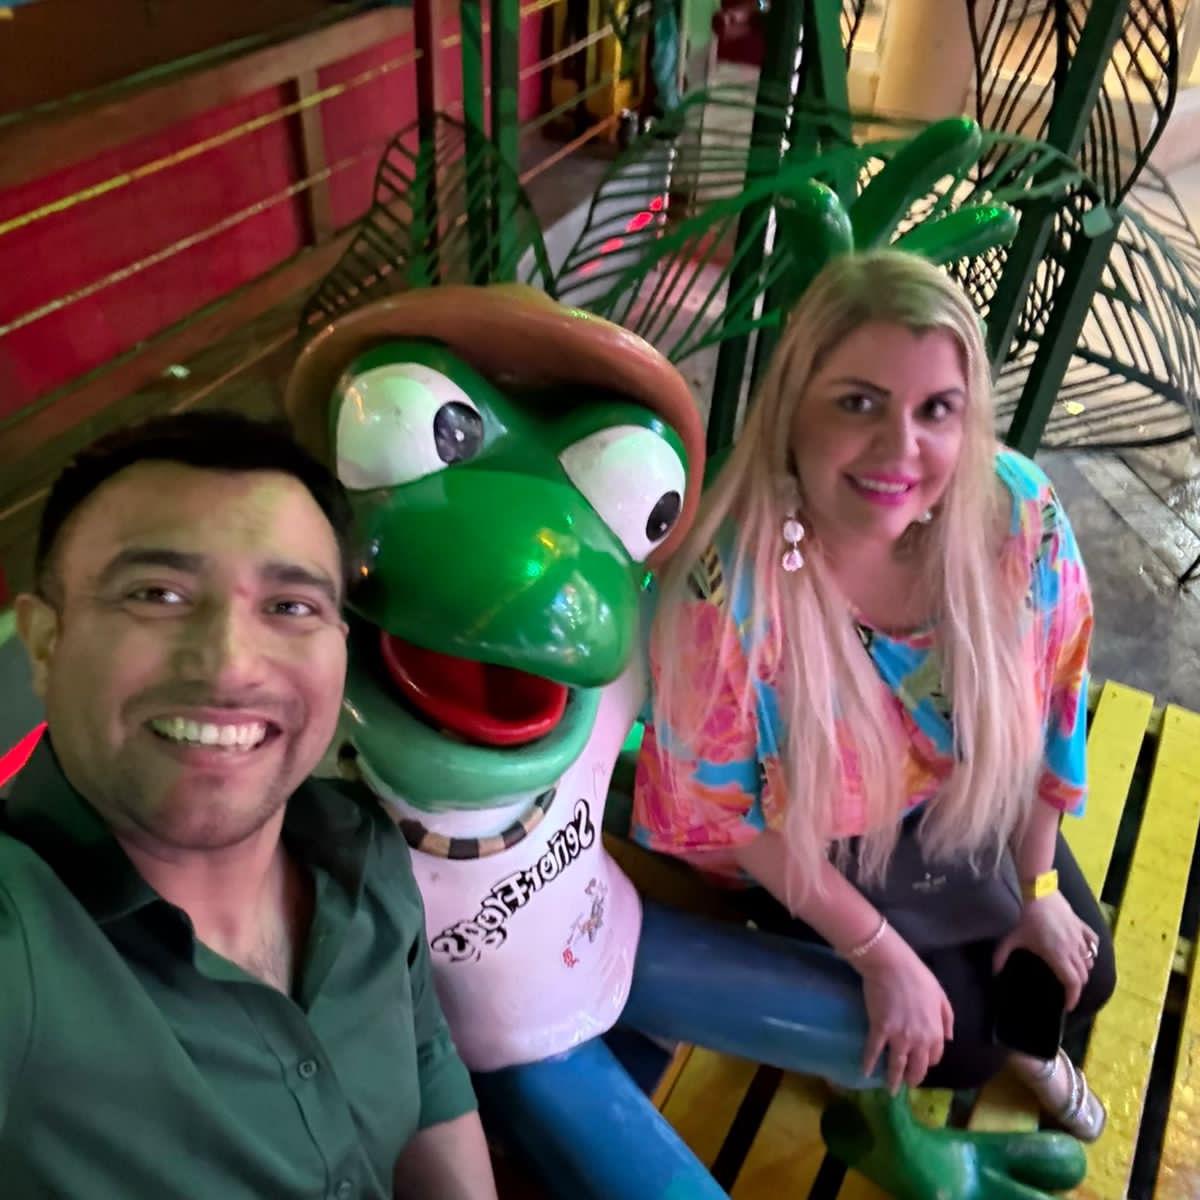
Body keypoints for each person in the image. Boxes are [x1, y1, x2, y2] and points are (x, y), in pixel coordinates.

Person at [633, 251, 1115, 1139]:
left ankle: (1033, 1046)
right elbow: (723, 817)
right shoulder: (727, 590)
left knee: (1083, 975)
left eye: (937, 410)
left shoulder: (1016, 514)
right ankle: (948, 1044)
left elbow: (1057, 697)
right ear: (794, 406)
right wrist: (877, 953)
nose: (901, 450)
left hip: (960, 792)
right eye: (859, 402)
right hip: (812, 831)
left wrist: (1039, 884)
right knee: (957, 1048)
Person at [1, 411, 499, 1200]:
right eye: (157, 594)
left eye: (290, 606)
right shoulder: (22, 935)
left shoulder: (363, 847)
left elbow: (429, 1085)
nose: (231, 667)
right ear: (44, 642)